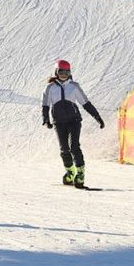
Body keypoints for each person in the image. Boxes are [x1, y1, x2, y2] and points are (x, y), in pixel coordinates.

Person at [41, 59, 105, 188]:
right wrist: (46, 119)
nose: (64, 74)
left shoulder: (74, 86)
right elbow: (45, 105)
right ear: (56, 72)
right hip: (59, 122)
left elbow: (85, 103)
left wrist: (97, 117)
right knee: (64, 149)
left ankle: (80, 175)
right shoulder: (50, 88)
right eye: (61, 71)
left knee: (74, 147)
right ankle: (70, 172)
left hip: (74, 121)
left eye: (67, 71)